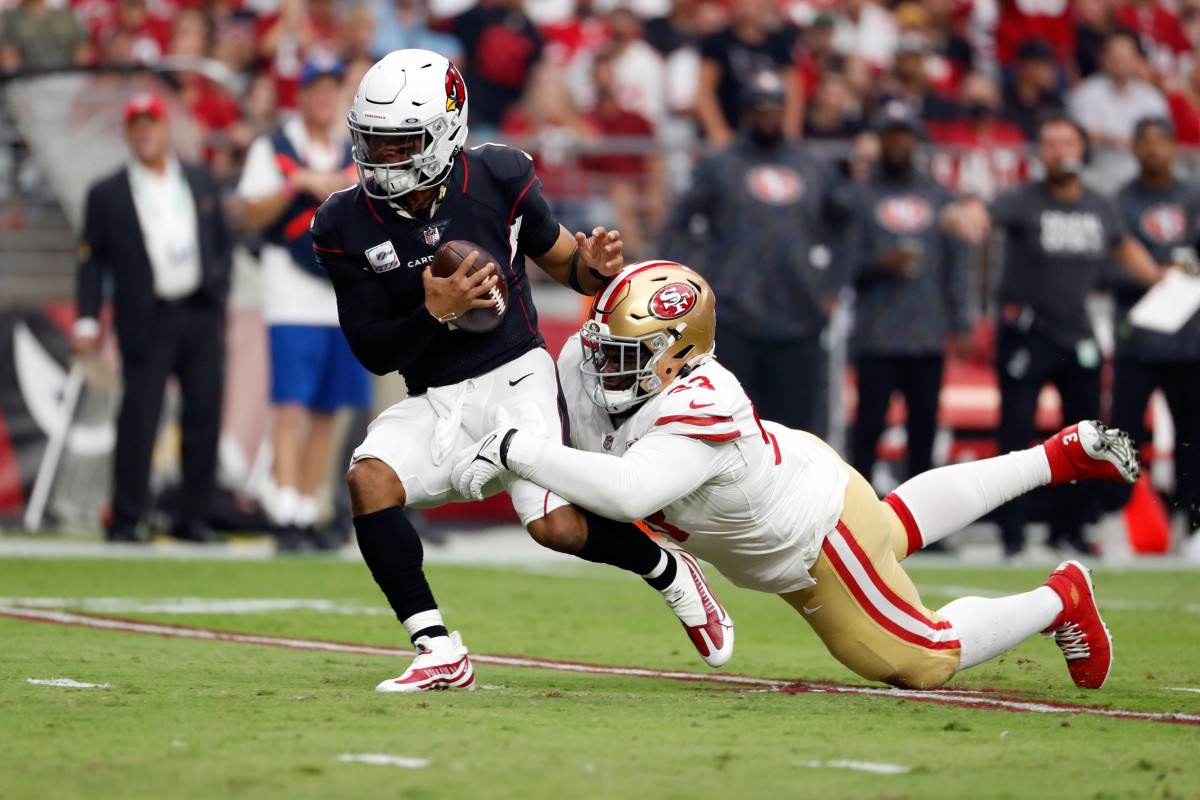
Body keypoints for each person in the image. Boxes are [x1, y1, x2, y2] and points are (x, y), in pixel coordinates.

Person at [453, 261, 1141, 691]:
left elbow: (628, 492)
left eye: (623, 355)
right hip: (801, 487)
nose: (599, 366)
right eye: (603, 349)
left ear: (676, 356)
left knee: (920, 659)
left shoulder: (702, 402)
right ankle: (1055, 458)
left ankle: (1062, 598)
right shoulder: (598, 361)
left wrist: (520, 450)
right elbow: (560, 421)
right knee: (891, 528)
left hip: (812, 539)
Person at [310, 49, 732, 693]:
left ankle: (668, 570)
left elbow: (572, 270)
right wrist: (434, 312)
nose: (380, 158)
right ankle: (437, 649)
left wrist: (597, 264)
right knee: (369, 480)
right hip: (433, 397)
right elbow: (373, 349)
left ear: (446, 131)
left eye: (399, 145)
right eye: (372, 141)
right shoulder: (342, 220)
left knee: (553, 526)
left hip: (515, 372)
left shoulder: (500, 175)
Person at [950, 115, 1165, 559]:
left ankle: (1071, 531)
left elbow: (1125, 248)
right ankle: (1012, 536)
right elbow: (978, 213)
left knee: (1086, 436)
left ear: (1082, 150)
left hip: (1077, 333)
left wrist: (1160, 278)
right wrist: (966, 208)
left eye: (1066, 142)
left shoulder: (1100, 204)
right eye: (1048, 143)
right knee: (1015, 435)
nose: (1058, 150)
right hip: (1027, 333)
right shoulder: (1023, 199)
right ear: (1040, 154)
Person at [74, 93, 232, 543]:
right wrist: (87, 320)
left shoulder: (199, 180)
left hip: (199, 311)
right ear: (128, 133)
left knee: (204, 414)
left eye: (153, 123)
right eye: (137, 124)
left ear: (166, 129)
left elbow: (221, 241)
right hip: (147, 315)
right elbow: (91, 261)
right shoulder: (108, 192)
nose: (146, 131)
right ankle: (127, 518)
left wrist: (217, 289)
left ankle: (193, 517)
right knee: (139, 418)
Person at [660, 71, 852, 436]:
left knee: (796, 437)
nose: (768, 114)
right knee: (733, 430)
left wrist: (832, 286)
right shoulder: (720, 165)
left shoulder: (812, 165)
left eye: (775, 107)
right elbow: (678, 224)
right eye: (759, 107)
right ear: (746, 110)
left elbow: (848, 226)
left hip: (799, 318)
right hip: (734, 319)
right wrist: (695, 279)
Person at [238, 57, 371, 553]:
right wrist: (299, 183)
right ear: (301, 95)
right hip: (290, 295)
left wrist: (338, 185)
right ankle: (286, 506)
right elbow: (249, 213)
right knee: (291, 405)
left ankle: (310, 504)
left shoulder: (350, 150)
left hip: (338, 293)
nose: (323, 98)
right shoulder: (274, 148)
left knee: (328, 409)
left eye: (330, 90)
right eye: (315, 89)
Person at [850, 104, 970, 494]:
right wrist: (877, 265)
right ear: (879, 140)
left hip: (927, 332)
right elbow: (843, 265)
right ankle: (855, 516)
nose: (899, 142)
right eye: (891, 134)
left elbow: (956, 264)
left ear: (916, 140)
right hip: (877, 332)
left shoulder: (939, 196)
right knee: (868, 426)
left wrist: (961, 322)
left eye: (906, 134)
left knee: (924, 428)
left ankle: (924, 519)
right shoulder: (861, 195)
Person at [1110, 117, 1200, 539]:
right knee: (1123, 434)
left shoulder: (1194, 195)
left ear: (1173, 146)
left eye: (1161, 141)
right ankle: (1112, 520)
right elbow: (1103, 269)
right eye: (1144, 142)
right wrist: (1150, 276)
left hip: (1190, 341)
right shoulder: (1119, 202)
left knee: (1193, 435)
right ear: (1133, 148)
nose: (1153, 150)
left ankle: (1192, 523)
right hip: (1138, 339)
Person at [693, 0, 800, 147]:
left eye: (755, 5)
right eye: (745, 5)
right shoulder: (717, 43)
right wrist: (717, 131)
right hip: (731, 135)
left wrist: (789, 133)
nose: (749, 12)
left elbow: (793, 91)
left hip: (769, 136)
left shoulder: (778, 44)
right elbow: (705, 91)